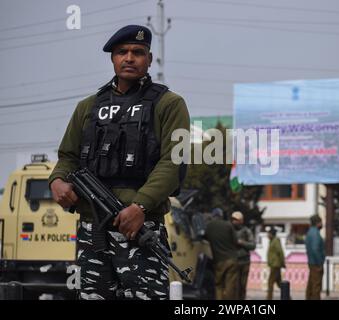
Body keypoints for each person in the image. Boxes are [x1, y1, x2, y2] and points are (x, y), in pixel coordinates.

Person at [48, 25, 190, 300]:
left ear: (149, 59)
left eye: (138, 52)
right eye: (121, 52)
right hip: (92, 228)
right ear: (112, 58)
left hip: (140, 226)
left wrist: (140, 206)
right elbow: (68, 156)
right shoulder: (87, 107)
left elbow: (174, 161)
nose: (129, 58)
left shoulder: (169, 104)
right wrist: (57, 180)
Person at [204, 208, 239, 300]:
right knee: (230, 286)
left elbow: (205, 238)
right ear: (221, 215)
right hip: (231, 259)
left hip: (218, 261)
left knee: (218, 285)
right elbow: (235, 241)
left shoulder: (209, 226)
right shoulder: (228, 225)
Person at [231, 211, 256, 300]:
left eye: (237, 220)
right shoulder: (230, 230)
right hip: (233, 261)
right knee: (234, 286)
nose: (234, 222)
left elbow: (253, 245)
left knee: (242, 285)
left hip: (244, 261)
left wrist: (242, 243)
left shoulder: (246, 231)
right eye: (233, 219)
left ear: (241, 221)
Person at [305, 214, 325, 300]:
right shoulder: (315, 233)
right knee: (316, 287)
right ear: (317, 223)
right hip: (316, 264)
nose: (322, 224)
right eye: (320, 222)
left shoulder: (310, 232)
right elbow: (315, 249)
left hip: (311, 262)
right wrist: (320, 263)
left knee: (311, 286)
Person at [266, 227, 285, 300]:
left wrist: (282, 263)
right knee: (279, 283)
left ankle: (269, 298)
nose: (267, 235)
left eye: (268, 234)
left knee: (270, 282)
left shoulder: (276, 241)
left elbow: (280, 252)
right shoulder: (271, 241)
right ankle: (287, 297)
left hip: (275, 265)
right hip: (273, 265)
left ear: (272, 234)